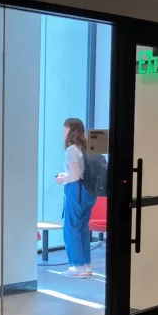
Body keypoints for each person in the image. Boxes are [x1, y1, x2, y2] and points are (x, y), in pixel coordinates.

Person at [54, 117, 97, 278]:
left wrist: (60, 179)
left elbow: (75, 175)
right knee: (83, 229)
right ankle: (86, 266)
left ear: (70, 130)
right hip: (89, 192)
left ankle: (76, 267)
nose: (62, 132)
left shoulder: (71, 150)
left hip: (76, 192)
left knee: (71, 228)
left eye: (64, 129)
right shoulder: (85, 147)